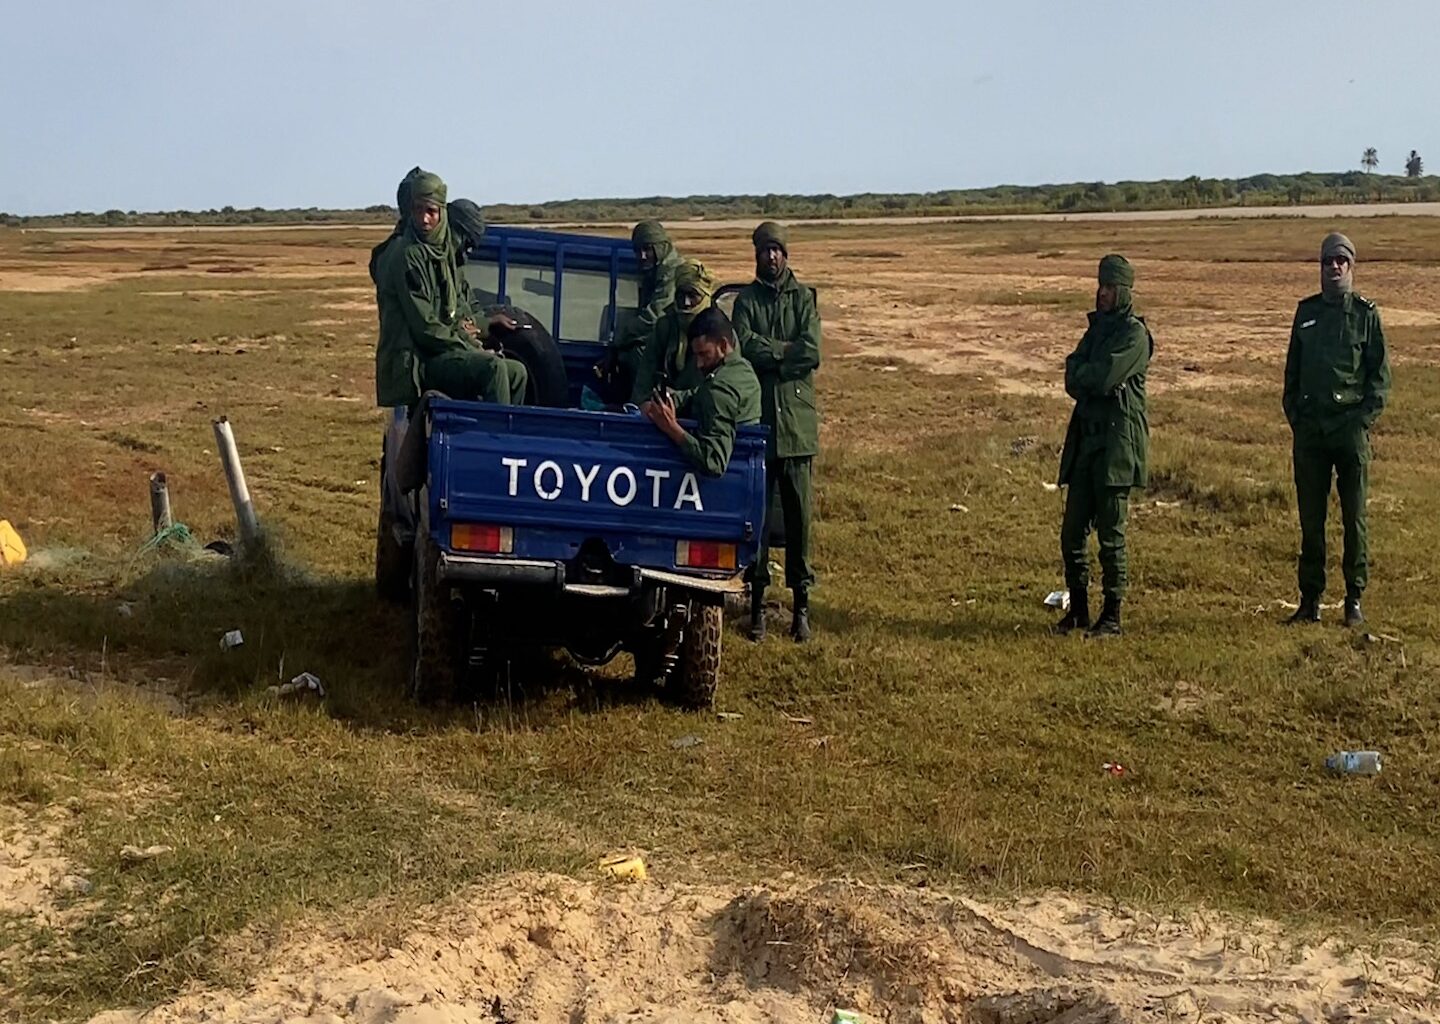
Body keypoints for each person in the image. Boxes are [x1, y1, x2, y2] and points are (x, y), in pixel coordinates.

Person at [1282, 232, 1391, 627]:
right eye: (1328, 261)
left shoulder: (1365, 314)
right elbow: (1290, 376)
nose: (1334, 267)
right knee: (1311, 521)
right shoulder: (1305, 313)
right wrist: (1296, 416)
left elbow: (1379, 378)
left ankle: (1353, 599)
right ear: (1320, 266)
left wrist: (1361, 421)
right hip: (1311, 434)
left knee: (1354, 518)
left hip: (1349, 434)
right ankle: (1309, 601)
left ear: (1352, 266)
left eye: (1342, 261)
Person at [1054, 255, 1153, 638]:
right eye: (1100, 286)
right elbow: (1074, 374)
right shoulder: (1095, 332)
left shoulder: (1134, 335)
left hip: (1116, 445)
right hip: (1087, 441)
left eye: (1110, 287)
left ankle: (1112, 615)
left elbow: (1103, 374)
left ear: (1124, 290)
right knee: (1072, 531)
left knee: (1111, 536)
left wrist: (1090, 379)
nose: (1102, 293)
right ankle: (1078, 610)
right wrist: (1089, 379)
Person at [732, 221, 821, 643]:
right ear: (757, 254)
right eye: (765, 250)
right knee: (759, 520)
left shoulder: (804, 299)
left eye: (777, 250)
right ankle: (757, 607)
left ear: (786, 254)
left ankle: (801, 607)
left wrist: (775, 354)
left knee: (801, 518)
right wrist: (785, 352)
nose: (771, 257)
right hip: (760, 426)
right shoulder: (746, 301)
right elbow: (744, 346)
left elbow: (812, 351)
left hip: (798, 428)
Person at [373, 169, 527, 408]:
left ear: (442, 214)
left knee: (517, 372)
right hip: (422, 359)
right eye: (418, 210)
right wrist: (471, 348)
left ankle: (505, 438)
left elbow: (457, 313)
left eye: (431, 212)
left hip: (445, 348)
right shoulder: (409, 256)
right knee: (493, 368)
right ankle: (488, 442)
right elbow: (426, 326)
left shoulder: (444, 253)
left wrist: (483, 326)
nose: (424, 220)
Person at [641, 307, 760, 478]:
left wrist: (672, 429)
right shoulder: (742, 371)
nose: (698, 364)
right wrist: (670, 399)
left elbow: (714, 461)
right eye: (696, 355)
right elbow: (700, 394)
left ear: (723, 345)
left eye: (704, 354)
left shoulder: (720, 388)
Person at [594, 220, 682, 404]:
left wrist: (618, 341)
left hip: (678, 344)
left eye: (648, 249)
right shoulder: (654, 272)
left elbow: (653, 318)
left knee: (640, 354)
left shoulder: (671, 273)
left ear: (660, 247)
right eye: (638, 251)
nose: (642, 256)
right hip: (664, 339)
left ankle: (642, 406)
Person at [630, 258, 716, 405]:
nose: (686, 303)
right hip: (660, 409)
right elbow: (645, 376)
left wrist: (678, 398)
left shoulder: (719, 331)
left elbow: (721, 385)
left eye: (692, 296)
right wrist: (641, 406)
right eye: (681, 295)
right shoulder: (665, 327)